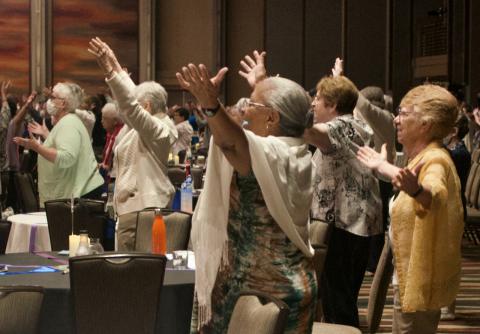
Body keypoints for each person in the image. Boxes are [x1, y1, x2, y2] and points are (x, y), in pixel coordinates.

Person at [176, 50, 316, 333]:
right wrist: (261, 84)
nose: (242, 110)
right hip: (292, 286)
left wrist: (211, 105)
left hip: (258, 297)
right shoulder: (297, 153)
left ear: (272, 118)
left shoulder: (269, 153)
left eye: (251, 103)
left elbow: (233, 143)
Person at [357, 84, 463, 334]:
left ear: (425, 124)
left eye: (404, 113)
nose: (396, 119)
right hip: (409, 274)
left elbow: (434, 195)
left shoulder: (436, 159)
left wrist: (416, 190)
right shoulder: (421, 156)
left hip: (420, 279)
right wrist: (384, 168)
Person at [304, 74, 382, 328]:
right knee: (339, 299)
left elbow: (308, 131)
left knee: (338, 302)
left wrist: (280, 102)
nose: (313, 104)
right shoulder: (353, 124)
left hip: (345, 226)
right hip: (351, 224)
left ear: (334, 105)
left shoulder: (343, 126)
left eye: (318, 99)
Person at [88, 37, 178, 251]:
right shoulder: (150, 124)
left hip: (142, 213)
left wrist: (110, 73)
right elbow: (132, 96)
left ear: (146, 106)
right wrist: (115, 63)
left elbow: (130, 106)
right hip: (134, 211)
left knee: (131, 274)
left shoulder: (159, 130)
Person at [13, 82, 104, 206]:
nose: (49, 102)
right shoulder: (66, 122)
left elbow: (66, 157)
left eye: (53, 98)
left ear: (63, 104)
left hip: (81, 194)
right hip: (76, 193)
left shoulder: (69, 124)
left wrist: (37, 147)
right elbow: (60, 145)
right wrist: (46, 134)